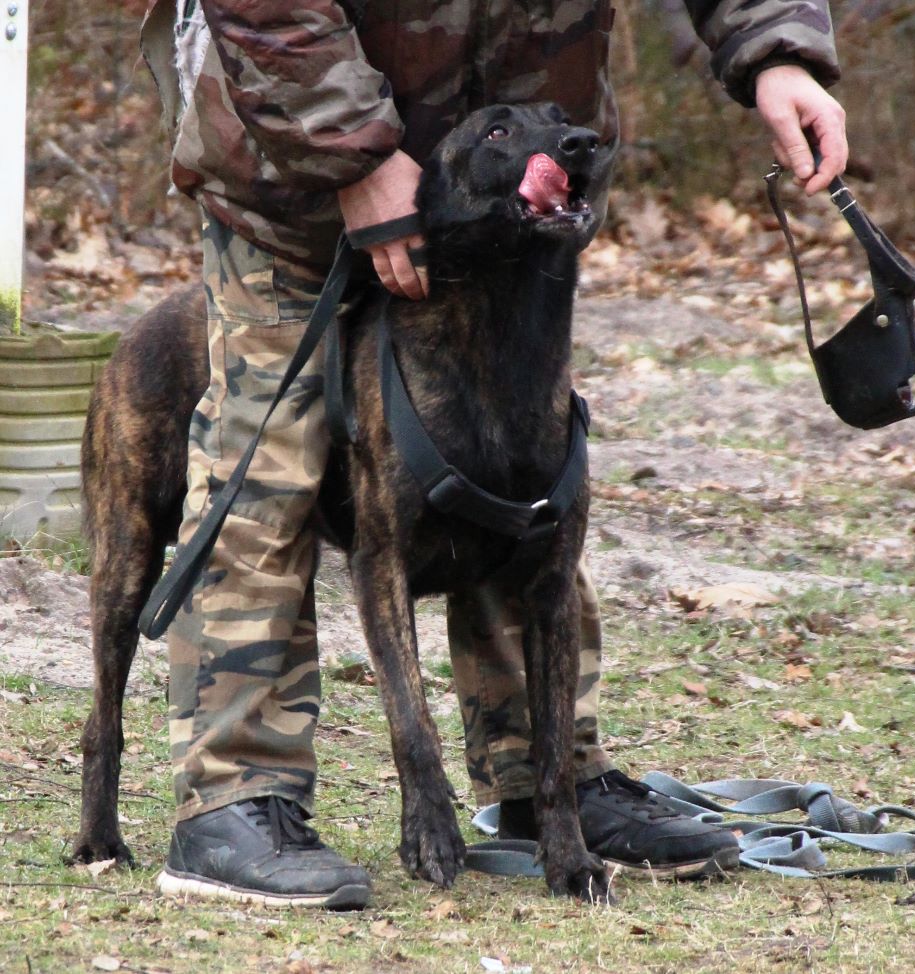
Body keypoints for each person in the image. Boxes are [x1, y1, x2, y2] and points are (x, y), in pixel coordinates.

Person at [140, 0, 848, 909]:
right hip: (299, 182)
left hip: (522, 200)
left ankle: (545, 784)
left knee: (523, 484)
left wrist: (775, 54)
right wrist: (352, 152)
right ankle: (236, 802)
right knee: (267, 473)